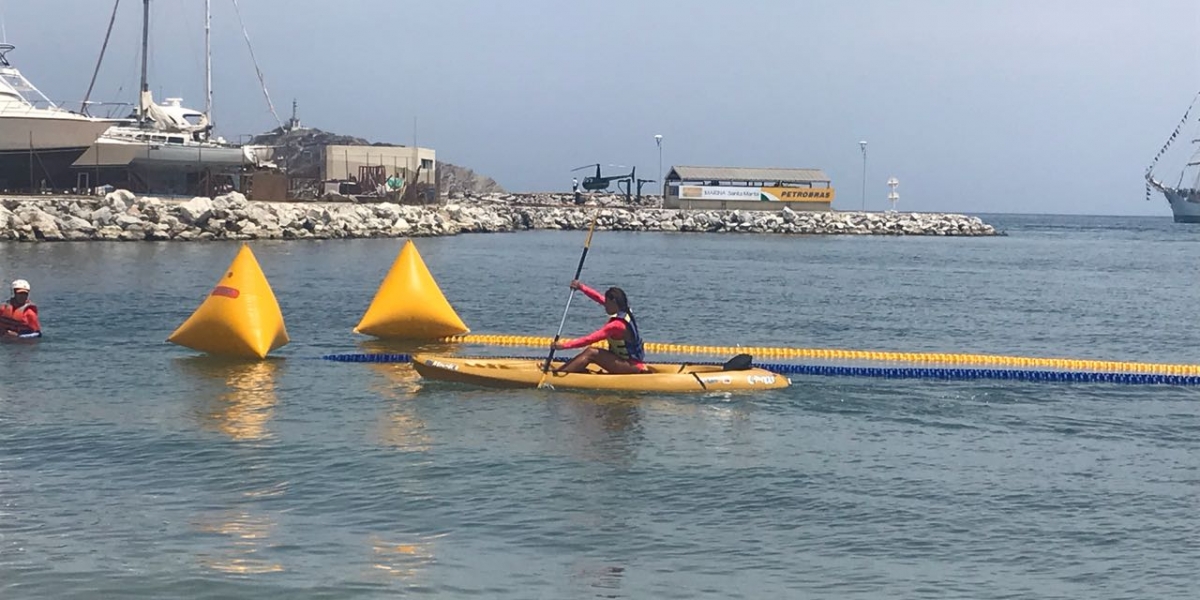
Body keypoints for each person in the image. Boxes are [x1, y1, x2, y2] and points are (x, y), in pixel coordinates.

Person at [553, 280, 646, 374]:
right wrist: (581, 287)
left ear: (613, 302)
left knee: (591, 352)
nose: (605, 306)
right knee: (591, 353)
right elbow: (598, 297)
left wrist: (563, 346)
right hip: (631, 362)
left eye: (607, 303)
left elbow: (588, 339)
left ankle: (559, 373)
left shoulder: (616, 325)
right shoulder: (625, 310)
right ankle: (568, 369)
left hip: (629, 366)